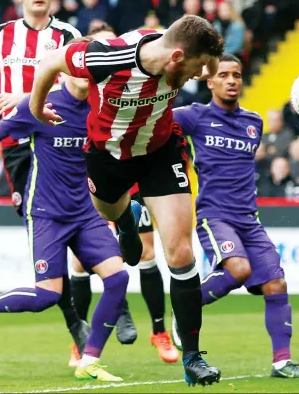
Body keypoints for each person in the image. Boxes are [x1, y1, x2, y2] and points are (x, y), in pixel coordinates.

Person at [28, 14, 224, 386]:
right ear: (176, 57)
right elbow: (50, 61)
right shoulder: (106, 57)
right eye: (196, 68)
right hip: (108, 156)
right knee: (110, 209)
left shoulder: (177, 49)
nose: (201, 77)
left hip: (160, 150)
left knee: (180, 251)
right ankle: (125, 221)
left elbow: (208, 54)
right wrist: (37, 108)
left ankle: (194, 357)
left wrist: (208, 64)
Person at [0, 55, 128, 382]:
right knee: (47, 296)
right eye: (81, 67)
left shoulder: (103, 108)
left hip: (85, 211)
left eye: (93, 70)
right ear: (66, 68)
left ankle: (89, 361)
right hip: (46, 213)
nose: (87, 74)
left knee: (118, 279)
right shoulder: (41, 104)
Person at [0, 0, 87, 364]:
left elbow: (79, 82)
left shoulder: (69, 37)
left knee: (85, 226)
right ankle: (79, 333)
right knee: (52, 237)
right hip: (20, 147)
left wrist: (19, 95)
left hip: (63, 143)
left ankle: (91, 326)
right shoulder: (0, 36)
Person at [171, 54, 299, 379]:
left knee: (276, 284)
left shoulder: (254, 122)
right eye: (224, 75)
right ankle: (185, 311)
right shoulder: (193, 116)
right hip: (213, 214)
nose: (232, 80)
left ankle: (282, 363)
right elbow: (156, 124)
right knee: (238, 269)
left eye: (236, 74)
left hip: (248, 218)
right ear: (210, 82)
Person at [67, 23, 179, 365]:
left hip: (132, 169)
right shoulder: (73, 93)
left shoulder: (130, 79)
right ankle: (79, 338)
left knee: (146, 251)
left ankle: (159, 331)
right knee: (82, 260)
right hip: (89, 180)